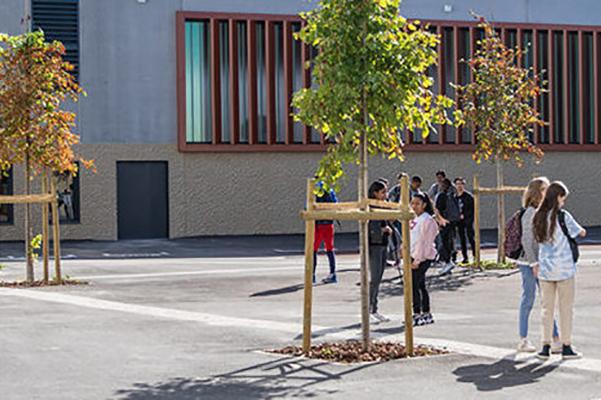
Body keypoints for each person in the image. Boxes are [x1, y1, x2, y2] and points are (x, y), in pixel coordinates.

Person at [533, 181, 586, 360]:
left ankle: (545, 346)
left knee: (546, 310)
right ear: (557, 197)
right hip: (564, 270)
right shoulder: (563, 216)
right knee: (566, 309)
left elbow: (536, 241)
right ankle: (566, 346)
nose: (564, 202)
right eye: (563, 198)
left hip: (545, 270)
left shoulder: (538, 216)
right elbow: (580, 232)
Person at [515, 177, 561, 353]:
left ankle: (555, 339)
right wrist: (534, 263)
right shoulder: (530, 213)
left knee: (546, 300)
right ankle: (523, 339)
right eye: (544, 189)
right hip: (529, 262)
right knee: (528, 298)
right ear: (536, 193)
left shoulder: (544, 211)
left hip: (542, 262)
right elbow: (527, 240)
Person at [410, 193, 439, 326]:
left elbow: (424, 242)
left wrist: (417, 260)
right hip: (413, 255)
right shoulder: (414, 218)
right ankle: (425, 312)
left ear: (424, 205)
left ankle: (417, 313)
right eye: (413, 203)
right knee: (420, 285)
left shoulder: (427, 220)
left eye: (417, 203)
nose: (414, 206)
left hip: (422, 257)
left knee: (415, 285)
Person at [368, 180, 395, 323]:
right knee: (375, 278)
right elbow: (370, 228)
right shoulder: (370, 207)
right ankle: (371, 308)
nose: (386, 194)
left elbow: (389, 220)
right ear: (375, 193)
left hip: (383, 244)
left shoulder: (383, 205)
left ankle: (373, 307)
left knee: (378, 278)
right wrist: (382, 230)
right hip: (374, 245)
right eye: (383, 192)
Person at [313, 181, 338, 284]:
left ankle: (312, 275)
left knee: (313, 250)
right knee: (329, 249)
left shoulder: (319, 192)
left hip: (319, 224)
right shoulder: (331, 192)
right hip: (329, 224)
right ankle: (332, 273)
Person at [435, 178, 460, 275]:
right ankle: (449, 261)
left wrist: (439, 222)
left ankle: (447, 262)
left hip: (444, 222)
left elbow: (438, 210)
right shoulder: (453, 195)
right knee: (450, 242)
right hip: (452, 222)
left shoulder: (442, 196)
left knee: (444, 242)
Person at [454, 177, 475, 264]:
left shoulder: (469, 197)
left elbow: (472, 209)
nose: (459, 186)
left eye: (461, 184)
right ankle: (465, 257)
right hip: (459, 221)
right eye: (457, 184)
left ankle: (475, 255)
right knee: (462, 239)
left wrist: (465, 216)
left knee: (471, 237)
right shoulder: (454, 197)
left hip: (468, 220)